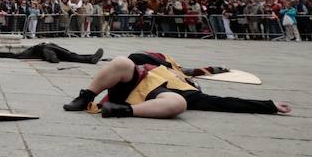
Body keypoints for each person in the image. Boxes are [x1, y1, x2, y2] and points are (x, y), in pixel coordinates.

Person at [62, 52, 292, 119]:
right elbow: (136, 55)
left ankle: (122, 111)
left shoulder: (192, 91)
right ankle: (85, 96)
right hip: (132, 85)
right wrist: (168, 67)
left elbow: (226, 103)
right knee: (122, 61)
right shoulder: (154, 65)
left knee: (178, 103)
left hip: (154, 99)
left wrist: (269, 105)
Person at [0, 42, 104, 64]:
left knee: (70, 55)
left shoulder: (26, 52)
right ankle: (90, 58)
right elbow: (11, 55)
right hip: (43, 48)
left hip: (49, 48)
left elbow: (12, 55)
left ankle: (91, 58)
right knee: (70, 55)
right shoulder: (32, 49)